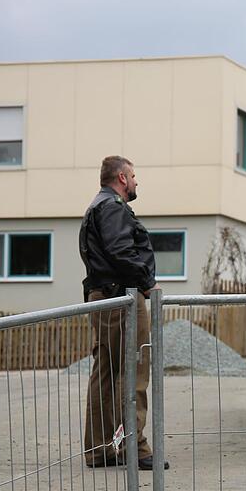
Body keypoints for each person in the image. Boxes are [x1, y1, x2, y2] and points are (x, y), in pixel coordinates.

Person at [79, 155, 164, 469]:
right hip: (121, 296)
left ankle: (101, 449)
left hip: (103, 295)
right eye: (133, 175)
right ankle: (135, 447)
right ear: (122, 178)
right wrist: (146, 283)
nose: (137, 181)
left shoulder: (97, 206)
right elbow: (120, 250)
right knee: (134, 369)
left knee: (107, 371)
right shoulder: (113, 208)